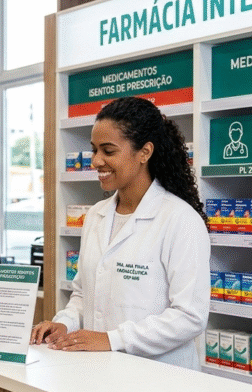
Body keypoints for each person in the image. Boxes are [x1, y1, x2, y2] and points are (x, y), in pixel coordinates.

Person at [30, 96, 210, 370]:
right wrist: (64, 323)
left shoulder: (180, 220)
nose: (96, 161)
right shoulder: (96, 216)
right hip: (101, 370)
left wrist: (112, 339)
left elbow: (190, 316)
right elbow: (83, 294)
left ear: (144, 152)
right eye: (94, 150)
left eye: (108, 151)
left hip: (160, 377)